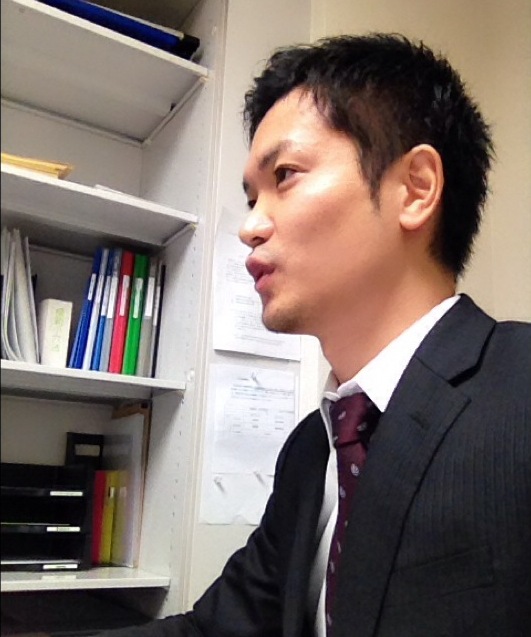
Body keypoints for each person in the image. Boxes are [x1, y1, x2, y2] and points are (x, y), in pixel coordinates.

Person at [102, 33, 531, 637]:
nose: (251, 226)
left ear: (415, 188)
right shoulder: (313, 449)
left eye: (285, 175)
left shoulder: (520, 390)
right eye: (251, 198)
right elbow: (219, 629)